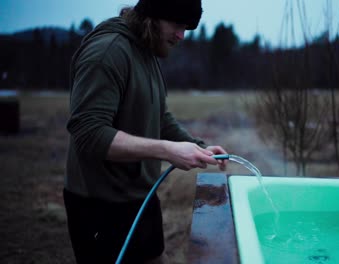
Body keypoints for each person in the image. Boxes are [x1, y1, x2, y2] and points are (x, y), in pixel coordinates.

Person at [63, 0, 228, 263]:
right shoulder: (107, 52)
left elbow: (157, 116)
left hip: (140, 196)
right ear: (153, 16)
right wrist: (167, 150)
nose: (181, 36)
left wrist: (195, 145)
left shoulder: (147, 50)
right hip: (98, 205)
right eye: (177, 25)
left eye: (186, 28)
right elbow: (88, 133)